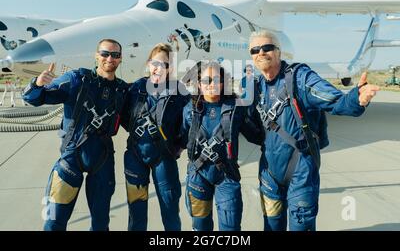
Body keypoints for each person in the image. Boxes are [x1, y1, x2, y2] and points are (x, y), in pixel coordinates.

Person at [248, 30, 380, 231]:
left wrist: (356, 99)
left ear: (279, 51)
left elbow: (335, 100)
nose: (261, 53)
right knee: (271, 226)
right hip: (269, 172)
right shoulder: (254, 87)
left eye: (267, 47)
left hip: (301, 170)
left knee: (302, 226)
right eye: (255, 49)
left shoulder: (300, 78)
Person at [23, 38, 128, 231]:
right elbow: (33, 98)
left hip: (102, 159)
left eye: (115, 55)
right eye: (105, 53)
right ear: (97, 56)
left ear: (120, 59)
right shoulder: (76, 80)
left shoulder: (122, 90)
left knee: (101, 224)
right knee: (54, 222)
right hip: (71, 158)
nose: (109, 58)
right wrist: (37, 84)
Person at [181, 61, 264, 231]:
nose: (212, 84)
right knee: (200, 226)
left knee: (230, 228)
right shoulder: (190, 109)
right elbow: (181, 139)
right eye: (206, 80)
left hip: (226, 175)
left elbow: (256, 136)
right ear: (198, 84)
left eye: (217, 79)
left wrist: (253, 106)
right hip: (198, 175)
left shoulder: (236, 108)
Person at [121, 43, 189, 231]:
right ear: (148, 64)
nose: (159, 68)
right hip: (136, 155)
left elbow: (188, 124)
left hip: (164, 158)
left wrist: (178, 146)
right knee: (136, 213)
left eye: (165, 64)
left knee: (170, 212)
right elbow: (124, 117)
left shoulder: (180, 92)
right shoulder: (135, 89)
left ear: (170, 69)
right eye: (155, 63)